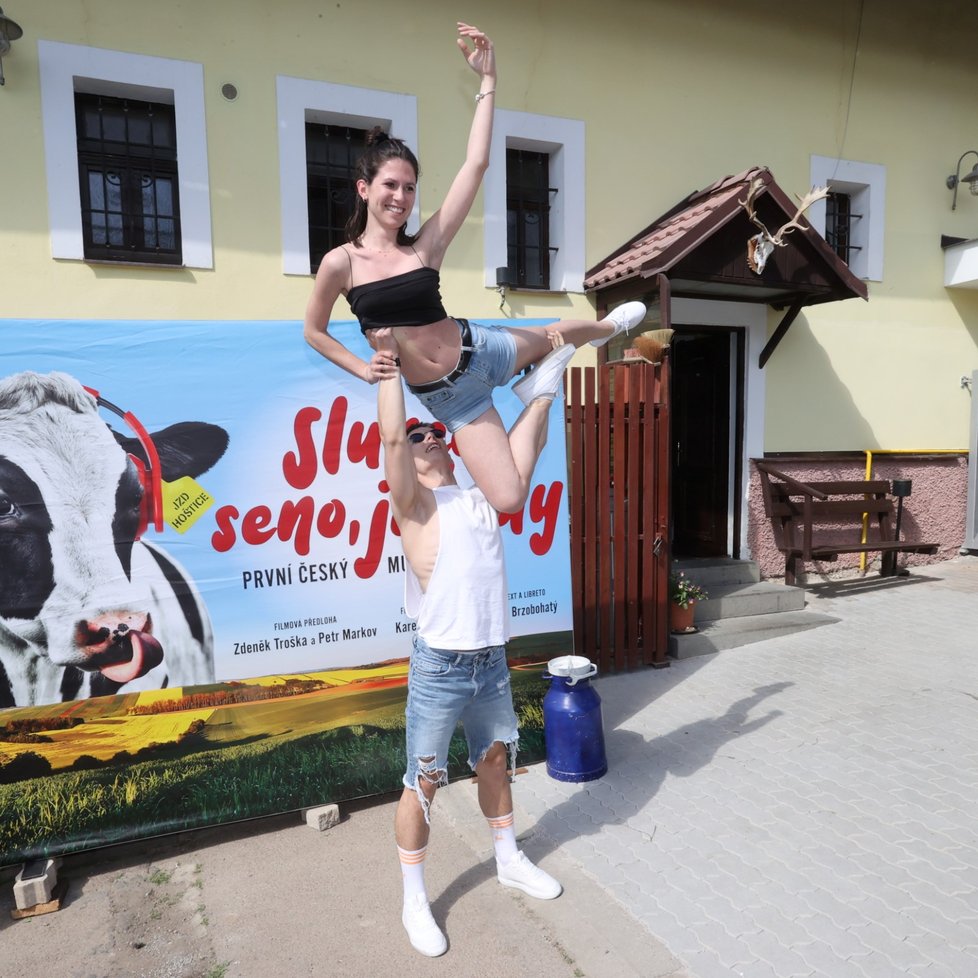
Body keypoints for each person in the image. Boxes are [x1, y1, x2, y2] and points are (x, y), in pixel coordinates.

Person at [304, 21, 646, 514]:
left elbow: (476, 165)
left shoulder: (425, 247)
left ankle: (607, 326)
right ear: (364, 189)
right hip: (451, 398)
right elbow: (314, 331)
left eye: (409, 187)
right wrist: (363, 367)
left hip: (480, 348)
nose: (401, 197)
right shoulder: (341, 263)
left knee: (560, 333)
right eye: (390, 185)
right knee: (508, 499)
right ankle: (543, 390)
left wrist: (488, 82)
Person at [375, 328, 562, 958]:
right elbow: (394, 437)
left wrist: (544, 390)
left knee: (495, 761)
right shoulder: (416, 508)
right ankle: (413, 899)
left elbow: (521, 455)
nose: (434, 437)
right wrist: (389, 375)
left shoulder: (482, 501)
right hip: (440, 668)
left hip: (491, 662)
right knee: (422, 780)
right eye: (426, 434)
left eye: (439, 433)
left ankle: (508, 858)